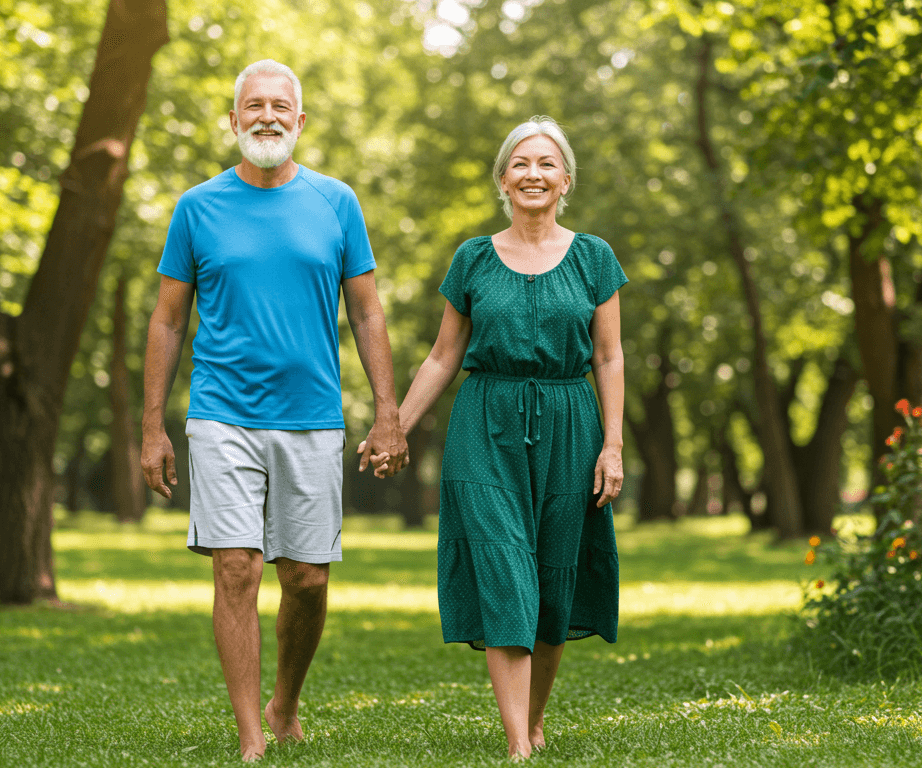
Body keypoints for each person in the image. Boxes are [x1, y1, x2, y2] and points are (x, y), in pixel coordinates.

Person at [140, 59, 407, 762]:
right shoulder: (198, 207)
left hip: (312, 415)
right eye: (252, 106)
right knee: (237, 569)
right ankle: (251, 737)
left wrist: (389, 412)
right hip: (221, 412)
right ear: (233, 121)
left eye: (279, 106)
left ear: (300, 120)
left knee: (307, 578)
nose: (266, 116)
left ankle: (283, 701)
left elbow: (368, 309)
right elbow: (167, 319)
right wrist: (152, 426)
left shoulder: (336, 202)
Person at [365, 116, 625, 759]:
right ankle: (518, 745)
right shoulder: (473, 258)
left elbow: (611, 358)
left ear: (565, 180)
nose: (533, 174)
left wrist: (612, 444)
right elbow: (443, 355)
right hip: (485, 422)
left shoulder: (595, 257)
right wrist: (393, 421)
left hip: (571, 423)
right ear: (503, 180)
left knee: (553, 579)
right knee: (506, 571)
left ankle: (534, 720)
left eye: (546, 164)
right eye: (521, 164)